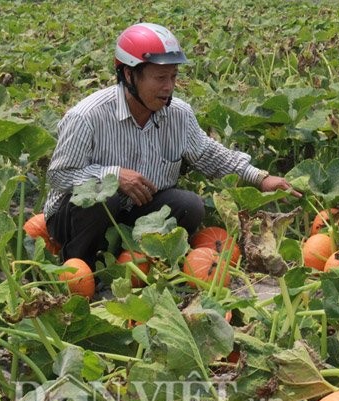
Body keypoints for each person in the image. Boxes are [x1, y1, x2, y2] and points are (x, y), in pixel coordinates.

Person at [44, 23, 299, 270]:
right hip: (76, 216)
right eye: (160, 78)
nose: (169, 87)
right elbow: (58, 176)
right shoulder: (87, 116)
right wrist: (112, 175)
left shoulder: (178, 114)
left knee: (190, 205)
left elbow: (208, 154)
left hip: (137, 212)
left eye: (173, 77)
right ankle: (83, 269)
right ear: (129, 74)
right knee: (104, 196)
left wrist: (260, 178)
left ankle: (141, 257)